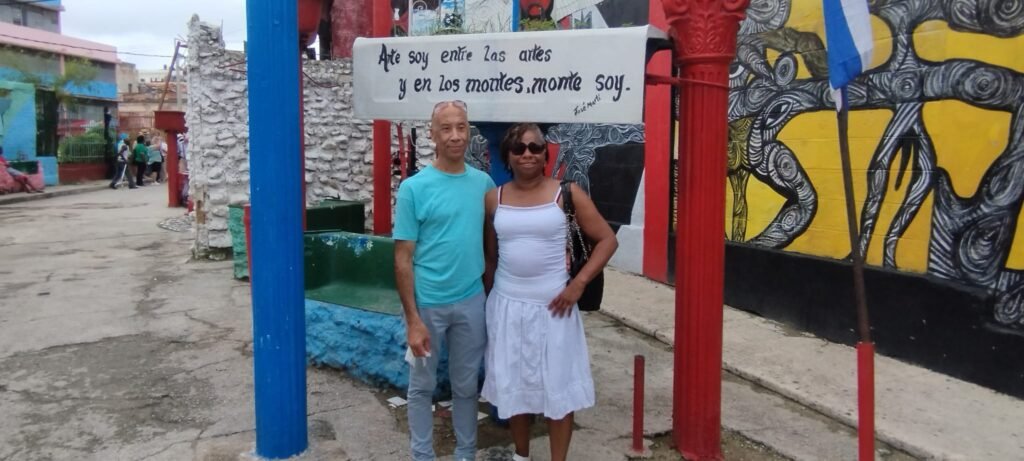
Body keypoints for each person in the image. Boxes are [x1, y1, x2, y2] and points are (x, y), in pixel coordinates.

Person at [481, 123, 617, 461]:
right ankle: (521, 456)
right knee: (515, 388)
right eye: (519, 148)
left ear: (545, 154)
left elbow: (607, 240)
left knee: (558, 389)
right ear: (507, 157)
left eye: (535, 147)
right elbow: (491, 256)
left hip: (554, 307)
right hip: (508, 305)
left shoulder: (567, 193)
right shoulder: (493, 199)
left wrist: (578, 284)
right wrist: (488, 304)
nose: (527, 153)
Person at [393, 100, 495, 461]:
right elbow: (402, 259)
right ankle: (422, 456)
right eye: (447, 128)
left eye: (462, 127)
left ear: (469, 131)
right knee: (421, 386)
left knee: (467, 386)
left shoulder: (483, 184)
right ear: (433, 135)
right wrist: (413, 319)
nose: (455, 136)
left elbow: (491, 240)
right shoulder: (414, 189)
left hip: (471, 300)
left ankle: (465, 453)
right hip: (429, 303)